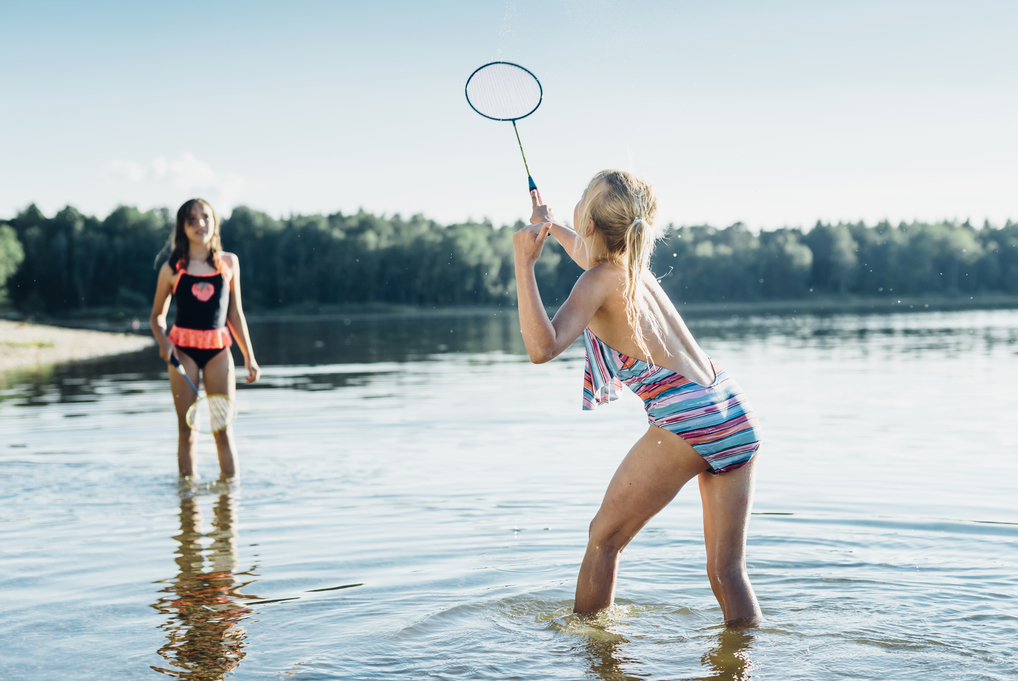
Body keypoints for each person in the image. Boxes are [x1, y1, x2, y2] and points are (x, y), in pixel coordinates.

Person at [512, 170, 762, 624]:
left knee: (604, 539)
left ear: (589, 223)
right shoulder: (633, 270)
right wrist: (547, 227)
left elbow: (540, 348)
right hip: (731, 407)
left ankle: (594, 656)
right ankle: (747, 661)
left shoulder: (597, 282)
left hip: (687, 416)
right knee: (728, 571)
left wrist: (523, 263)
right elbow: (589, 254)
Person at [150, 198, 260, 478]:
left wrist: (249, 357)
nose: (200, 223)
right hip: (182, 352)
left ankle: (229, 505)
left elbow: (235, 314)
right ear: (182, 227)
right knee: (186, 431)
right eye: (192, 219)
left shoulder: (229, 263)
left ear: (214, 222)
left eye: (205, 217)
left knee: (222, 430)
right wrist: (164, 344)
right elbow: (156, 318)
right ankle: (189, 503)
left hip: (218, 351)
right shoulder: (172, 268)